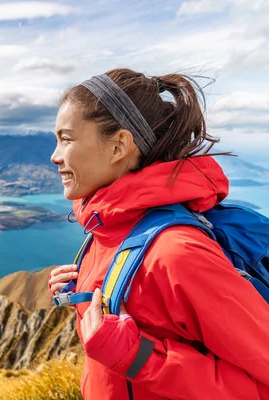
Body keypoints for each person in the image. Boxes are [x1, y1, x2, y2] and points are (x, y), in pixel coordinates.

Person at [47, 68, 269, 400]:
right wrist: (86, 288)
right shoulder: (105, 230)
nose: (55, 156)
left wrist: (137, 357)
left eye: (66, 139)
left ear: (120, 145)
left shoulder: (177, 254)